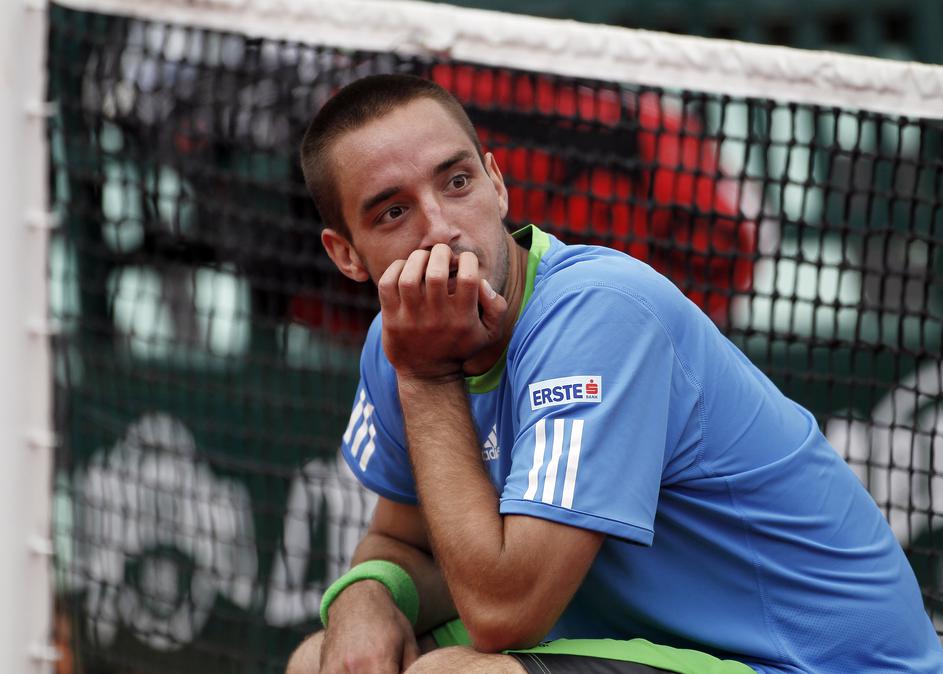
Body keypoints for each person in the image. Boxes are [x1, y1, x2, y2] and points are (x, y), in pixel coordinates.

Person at [286, 73, 943, 674]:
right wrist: (365, 597)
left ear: (496, 183)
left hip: (819, 665)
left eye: (456, 183)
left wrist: (428, 380)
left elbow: (504, 614)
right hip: (653, 651)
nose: (440, 229)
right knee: (324, 661)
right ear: (346, 255)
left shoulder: (598, 315)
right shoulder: (400, 340)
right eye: (393, 212)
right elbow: (401, 540)